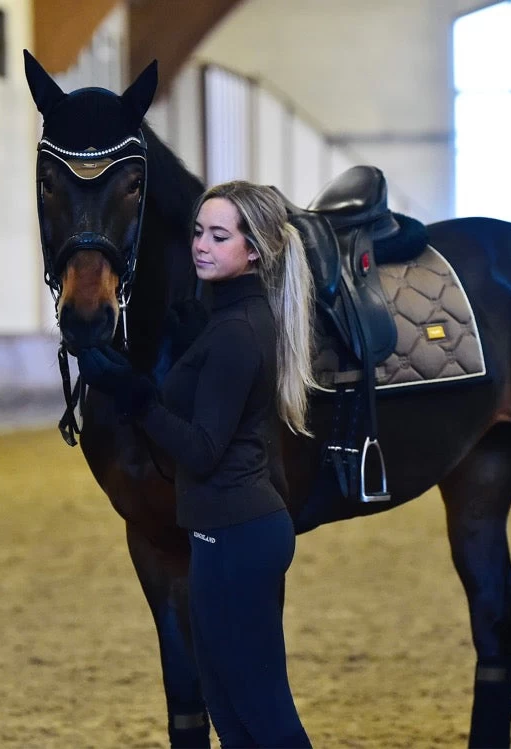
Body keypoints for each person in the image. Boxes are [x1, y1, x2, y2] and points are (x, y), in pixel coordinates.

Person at [77, 180, 316, 748]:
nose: (201, 246)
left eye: (219, 235)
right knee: (229, 713)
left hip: (239, 534)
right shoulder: (222, 320)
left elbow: (203, 450)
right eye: (197, 232)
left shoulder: (236, 333)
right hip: (217, 532)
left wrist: (136, 399)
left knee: (265, 713)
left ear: (253, 250)